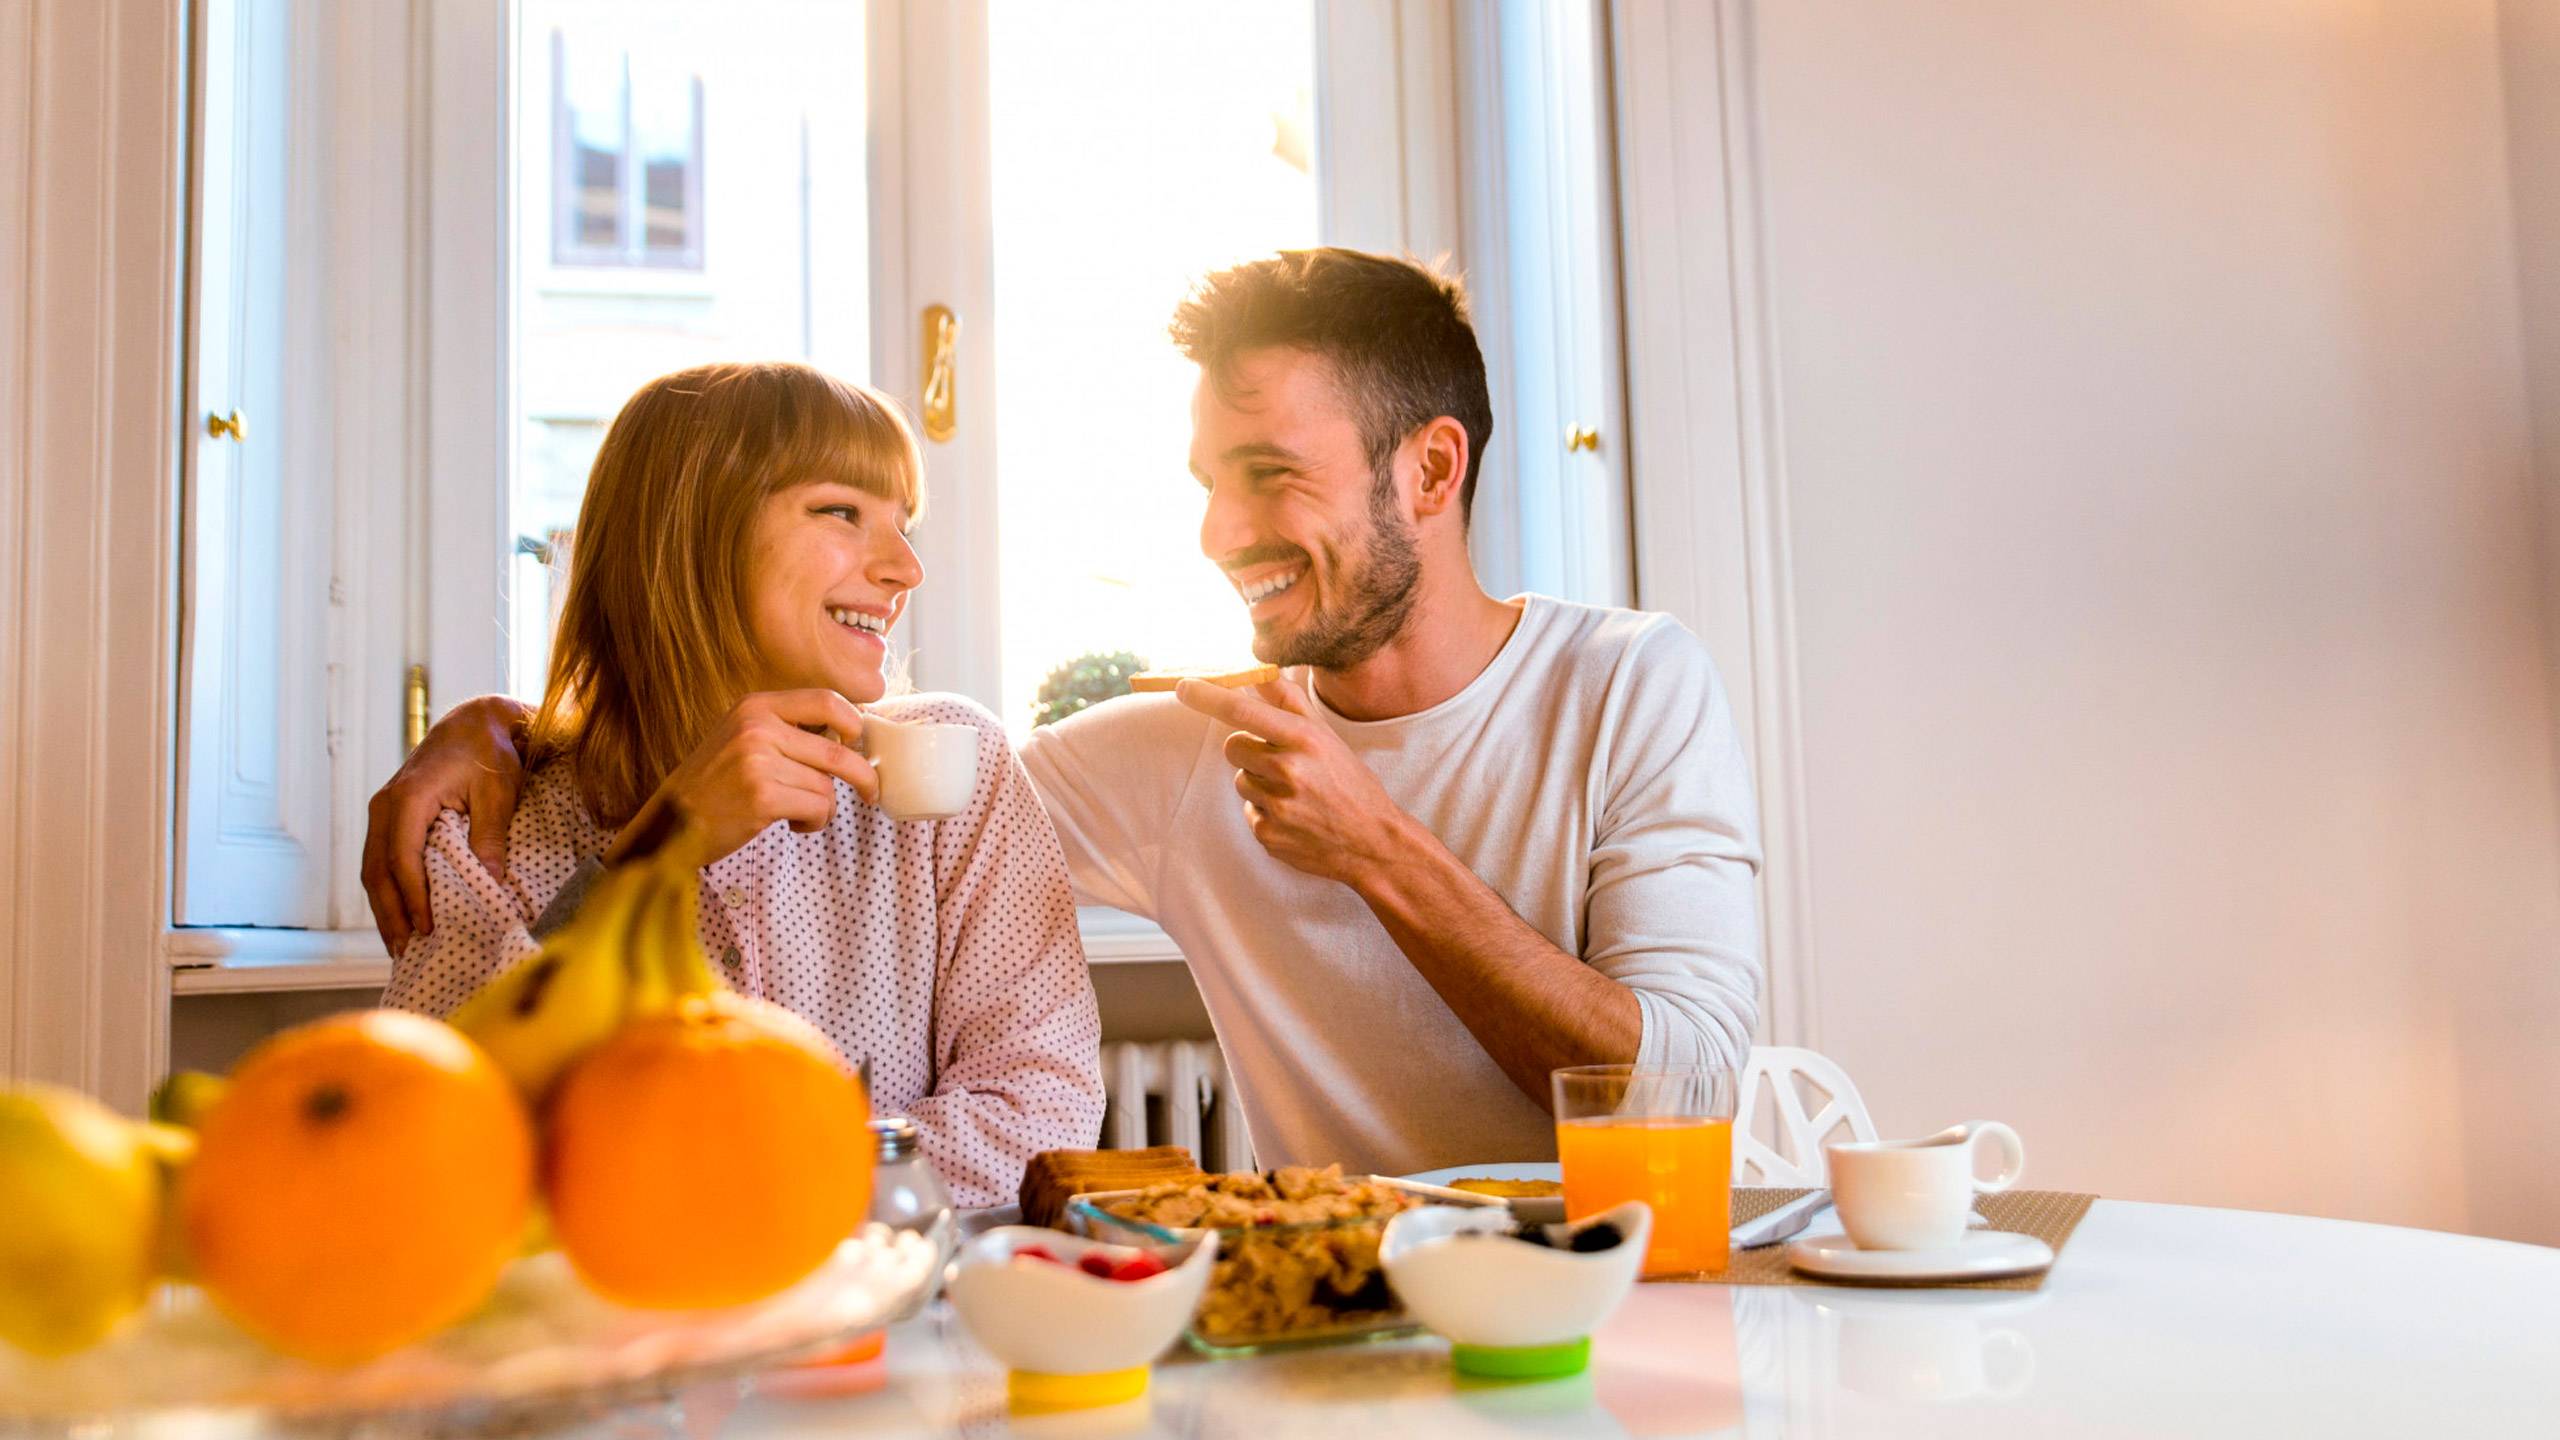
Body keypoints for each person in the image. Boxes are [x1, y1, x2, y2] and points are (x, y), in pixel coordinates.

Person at [367, 251, 1759, 1178]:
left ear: (1432, 469)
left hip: (1641, 1281)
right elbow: (436, 1132)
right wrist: (506, 730)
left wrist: (1377, 845)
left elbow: (1689, 1098)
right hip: (1332, 1311)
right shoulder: (1158, 754)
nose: (1219, 531)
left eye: (1269, 474)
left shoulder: (1630, 683)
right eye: (1208, 478)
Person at [378, 360, 1103, 1206]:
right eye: (842, 511)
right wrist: (655, 854)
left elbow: (1039, 1116)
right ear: (688, 533)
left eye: (904, 523)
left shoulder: (948, 771)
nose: (906, 567)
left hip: (890, 1331)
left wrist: (715, 1195)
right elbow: (433, 1146)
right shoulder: (484, 823)